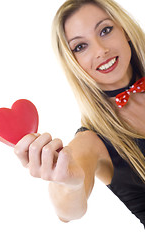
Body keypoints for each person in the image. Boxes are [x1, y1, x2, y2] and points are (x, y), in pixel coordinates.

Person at [14, 0, 145, 226]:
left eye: (105, 30)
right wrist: (68, 184)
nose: (101, 50)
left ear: (125, 31)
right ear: (73, 63)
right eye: (80, 47)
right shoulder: (91, 140)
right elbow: (69, 211)